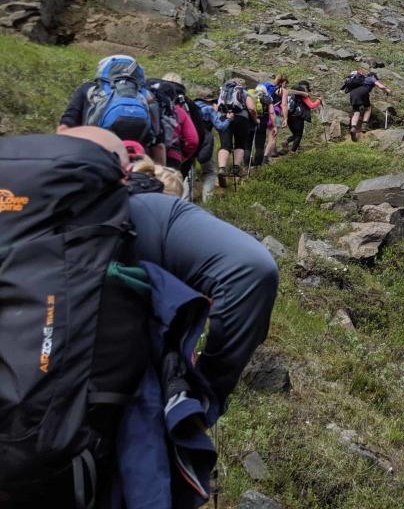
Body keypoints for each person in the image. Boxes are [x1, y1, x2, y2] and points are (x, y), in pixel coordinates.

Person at [0, 127, 278, 506]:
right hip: (86, 448)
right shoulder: (141, 210)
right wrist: (210, 388)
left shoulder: (17, 218)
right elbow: (252, 269)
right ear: (122, 173)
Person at [59, 54, 166, 165]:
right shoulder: (148, 97)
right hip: (138, 164)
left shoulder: (90, 90)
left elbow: (65, 127)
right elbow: (158, 145)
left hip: (94, 160)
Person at [215, 79, 256, 187]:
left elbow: (217, 107)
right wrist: (255, 120)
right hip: (241, 119)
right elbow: (251, 108)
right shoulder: (243, 92)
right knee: (240, 144)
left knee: (225, 145)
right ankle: (235, 168)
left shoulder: (223, 91)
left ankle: (222, 169)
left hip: (224, 117)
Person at [342, 69, 391, 141]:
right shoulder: (372, 78)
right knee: (368, 108)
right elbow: (380, 86)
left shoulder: (361, 79)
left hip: (353, 93)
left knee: (356, 112)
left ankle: (353, 127)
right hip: (363, 91)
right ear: (374, 76)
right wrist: (387, 90)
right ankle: (364, 125)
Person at [284, 80, 320, 153]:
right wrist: (319, 100)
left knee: (295, 134)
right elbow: (311, 105)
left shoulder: (290, 94)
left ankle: (286, 141)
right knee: (298, 135)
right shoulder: (303, 95)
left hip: (289, 116)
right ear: (305, 87)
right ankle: (292, 152)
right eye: (307, 88)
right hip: (298, 117)